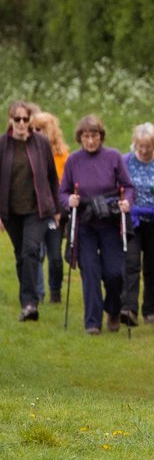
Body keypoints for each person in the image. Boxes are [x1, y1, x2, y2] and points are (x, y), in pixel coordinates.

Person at [61, 115, 134, 334]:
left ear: (101, 136)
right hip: (85, 224)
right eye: (86, 136)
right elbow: (63, 192)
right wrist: (68, 201)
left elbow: (128, 186)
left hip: (110, 222)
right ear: (80, 138)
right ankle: (92, 322)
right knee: (90, 271)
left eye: (94, 136)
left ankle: (113, 310)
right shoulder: (73, 160)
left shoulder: (113, 157)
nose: (91, 141)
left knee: (114, 272)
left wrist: (126, 202)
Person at [1, 101, 62, 322]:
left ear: (30, 120)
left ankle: (30, 303)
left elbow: (52, 178)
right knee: (20, 255)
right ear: (10, 120)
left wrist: (55, 208)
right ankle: (28, 301)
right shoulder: (2, 145)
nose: (21, 123)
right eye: (17, 119)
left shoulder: (41, 143)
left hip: (37, 209)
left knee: (30, 250)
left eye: (25, 119)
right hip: (11, 211)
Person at [121, 124, 154, 325]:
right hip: (133, 219)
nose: (143, 150)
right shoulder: (126, 161)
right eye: (140, 146)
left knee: (153, 265)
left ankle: (151, 309)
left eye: (147, 146)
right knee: (131, 262)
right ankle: (129, 308)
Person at [30, 110, 69, 304]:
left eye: (41, 129)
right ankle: (38, 293)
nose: (36, 132)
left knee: (55, 256)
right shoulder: (29, 153)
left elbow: (64, 186)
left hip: (56, 214)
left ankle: (56, 291)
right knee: (35, 253)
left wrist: (60, 212)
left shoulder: (63, 156)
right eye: (34, 128)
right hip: (35, 212)